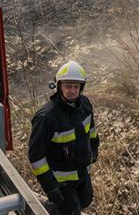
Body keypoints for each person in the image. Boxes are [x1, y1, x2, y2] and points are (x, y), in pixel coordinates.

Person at [29, 60, 99, 215]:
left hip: (81, 172)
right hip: (61, 181)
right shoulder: (46, 117)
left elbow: (91, 130)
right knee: (71, 210)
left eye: (76, 86)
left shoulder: (85, 105)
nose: (72, 91)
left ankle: (52, 210)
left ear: (81, 87)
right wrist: (50, 186)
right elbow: (36, 156)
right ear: (58, 86)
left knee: (86, 200)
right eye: (68, 86)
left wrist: (94, 148)